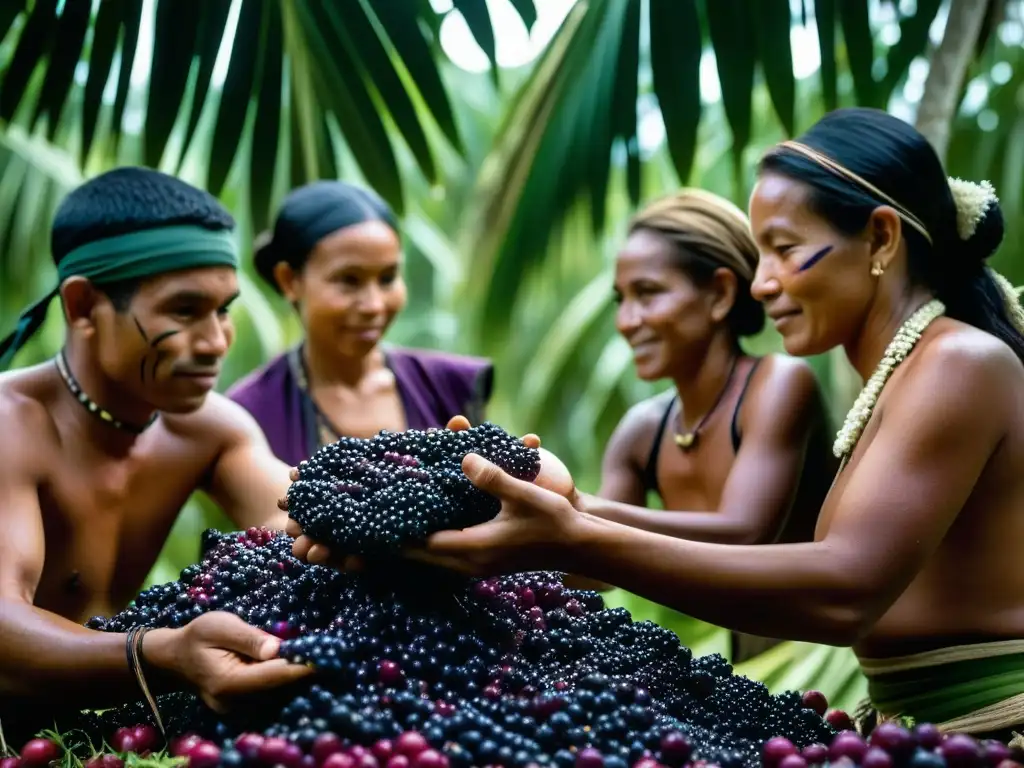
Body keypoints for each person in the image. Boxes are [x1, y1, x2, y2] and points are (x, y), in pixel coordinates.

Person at [295, 108, 1024, 743]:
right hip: (910, 726)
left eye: (785, 248)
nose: (763, 281)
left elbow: (845, 588)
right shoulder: (906, 375)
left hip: (992, 726)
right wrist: (551, 507)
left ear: (882, 239)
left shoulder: (956, 362)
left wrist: (578, 533)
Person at [0, 167, 311, 742]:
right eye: (186, 310)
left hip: (100, 735)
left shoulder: (207, 429)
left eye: (224, 310)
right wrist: (164, 654)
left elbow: (302, 519)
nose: (218, 341)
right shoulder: (10, 425)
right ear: (84, 306)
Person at [591, 188, 836, 662]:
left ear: (721, 294)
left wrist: (576, 510)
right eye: (621, 299)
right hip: (750, 671)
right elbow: (596, 568)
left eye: (648, 293)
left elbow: (744, 534)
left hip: (828, 660)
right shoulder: (642, 431)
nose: (626, 321)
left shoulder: (779, 384)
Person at [227, 181, 494, 467]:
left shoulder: (449, 386)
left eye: (388, 278)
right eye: (349, 280)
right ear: (290, 281)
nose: (374, 305)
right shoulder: (250, 411)